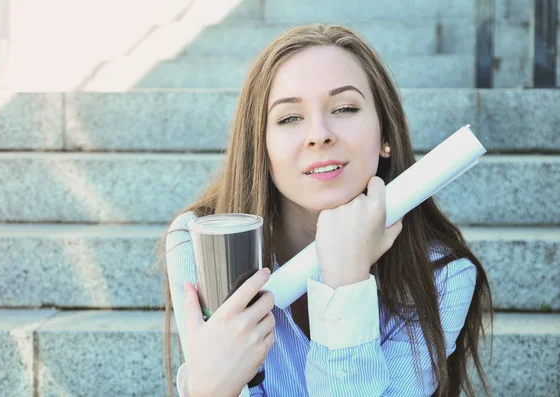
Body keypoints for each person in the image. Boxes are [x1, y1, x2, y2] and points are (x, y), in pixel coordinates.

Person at [156, 24, 493, 397]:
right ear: (262, 148)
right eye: (289, 118)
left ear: (385, 135)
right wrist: (209, 389)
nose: (319, 134)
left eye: (345, 108)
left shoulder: (442, 276)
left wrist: (346, 282)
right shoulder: (202, 240)